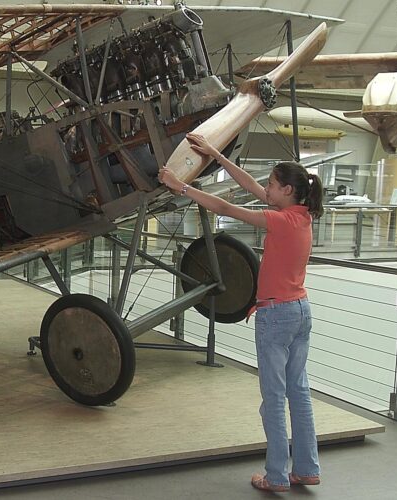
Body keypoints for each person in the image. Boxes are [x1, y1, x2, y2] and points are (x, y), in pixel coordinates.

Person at [160, 132, 323, 493]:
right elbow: (250, 185)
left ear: (287, 191)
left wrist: (180, 187)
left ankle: (277, 475)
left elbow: (225, 209)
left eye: (272, 185)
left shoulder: (281, 221)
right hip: (300, 311)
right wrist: (216, 154)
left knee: (274, 400)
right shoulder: (302, 215)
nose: (266, 189)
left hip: (276, 317)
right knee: (298, 392)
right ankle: (308, 468)